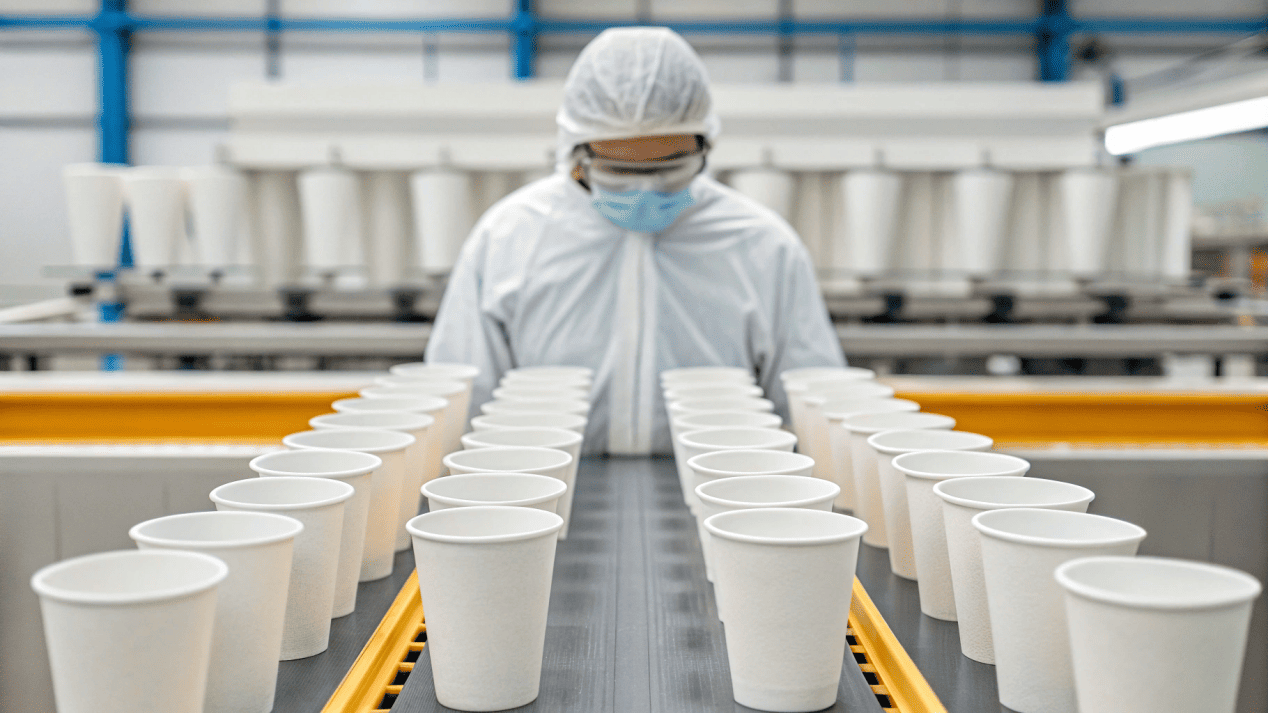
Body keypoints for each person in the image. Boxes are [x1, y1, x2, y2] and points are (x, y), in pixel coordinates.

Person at [426, 26, 844, 455]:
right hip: (538, 497)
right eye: (620, 170)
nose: (646, 190)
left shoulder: (762, 246)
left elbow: (813, 410)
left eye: (670, 167)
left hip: (727, 499)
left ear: (706, 145)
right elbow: (460, 408)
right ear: (575, 152)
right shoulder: (508, 238)